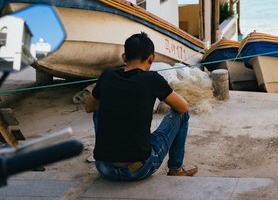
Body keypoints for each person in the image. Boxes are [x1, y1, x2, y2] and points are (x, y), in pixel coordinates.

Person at [85, 32, 198, 181]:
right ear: (151, 58)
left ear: (124, 57)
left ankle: (112, 153)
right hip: (138, 169)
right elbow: (183, 107)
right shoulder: (152, 79)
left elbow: (89, 107)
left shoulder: (107, 75)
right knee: (181, 114)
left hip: (104, 168)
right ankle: (176, 168)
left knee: (98, 109)